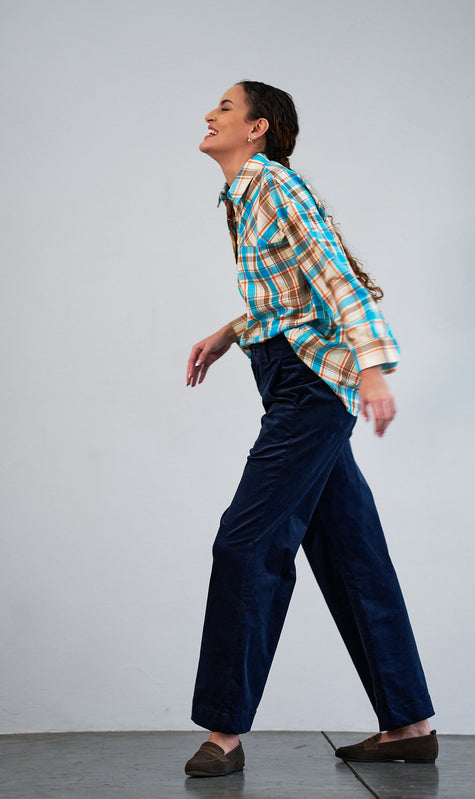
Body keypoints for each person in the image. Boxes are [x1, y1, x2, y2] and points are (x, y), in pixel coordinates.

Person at [184, 81, 437, 778]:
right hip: (293, 381)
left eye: (225, 107)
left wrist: (371, 367)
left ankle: (224, 732)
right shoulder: (243, 195)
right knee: (353, 554)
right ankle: (409, 725)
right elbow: (287, 297)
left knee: (245, 542)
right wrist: (230, 331)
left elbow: (336, 278)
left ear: (258, 128)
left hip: (310, 389)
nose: (209, 115)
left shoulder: (271, 184)